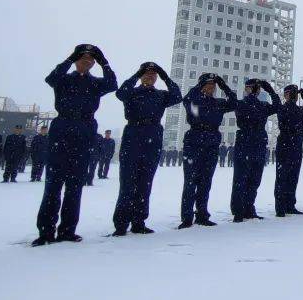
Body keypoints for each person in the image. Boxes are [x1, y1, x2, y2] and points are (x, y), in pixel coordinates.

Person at [33, 44, 118, 246]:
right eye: (83, 58)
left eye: (91, 60)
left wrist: (104, 62)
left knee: (75, 187)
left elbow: (112, 84)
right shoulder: (64, 80)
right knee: (53, 186)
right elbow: (51, 78)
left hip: (85, 131)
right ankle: (46, 232)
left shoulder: (95, 83)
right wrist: (70, 59)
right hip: (62, 129)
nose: (87, 62)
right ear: (76, 60)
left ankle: (68, 230)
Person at [111, 62, 182, 236]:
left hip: (153, 137)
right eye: (147, 73)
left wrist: (165, 76)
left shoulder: (160, 95)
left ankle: (139, 221)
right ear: (141, 75)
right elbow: (120, 93)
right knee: (127, 183)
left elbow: (177, 96)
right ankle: (121, 224)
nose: (150, 76)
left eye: (153, 74)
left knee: (145, 183)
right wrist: (136, 74)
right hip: (133, 135)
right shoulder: (132, 93)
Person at [179, 73, 237, 229]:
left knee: (205, 182)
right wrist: (200, 85)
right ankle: (186, 217)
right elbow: (186, 99)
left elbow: (234, 102)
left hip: (211, 143)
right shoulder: (194, 101)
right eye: (208, 84)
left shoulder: (217, 103)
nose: (211, 87)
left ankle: (202, 214)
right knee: (190, 182)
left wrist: (223, 84)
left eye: (213, 85)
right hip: (194, 141)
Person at [229, 78, 280, 221]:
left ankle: (246, 209)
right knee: (246, 179)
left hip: (253, 144)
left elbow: (277, 106)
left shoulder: (257, 105)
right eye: (255, 88)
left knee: (250, 179)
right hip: (250, 143)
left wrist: (267, 90)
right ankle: (241, 210)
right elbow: (276, 105)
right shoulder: (246, 104)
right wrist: (269, 90)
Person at [274, 85, 303, 217]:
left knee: (293, 177)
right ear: (286, 95)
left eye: (295, 94)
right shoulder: (282, 108)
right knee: (282, 177)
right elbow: (284, 123)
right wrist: (292, 101)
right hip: (285, 145)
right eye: (292, 94)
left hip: (296, 146)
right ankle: (280, 207)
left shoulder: (301, 109)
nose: (294, 96)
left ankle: (290, 205)